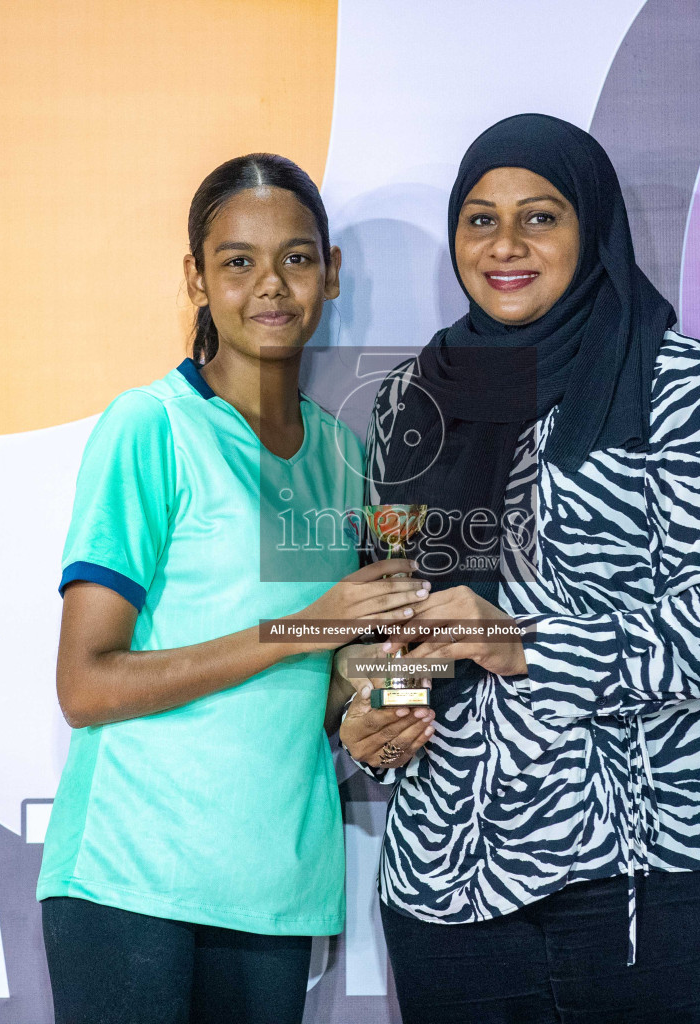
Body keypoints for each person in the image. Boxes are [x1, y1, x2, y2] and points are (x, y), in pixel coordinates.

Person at [339, 114, 700, 1023]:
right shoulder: (408, 402)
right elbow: (398, 615)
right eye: (479, 218)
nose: (505, 245)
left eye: (539, 218)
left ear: (591, 228)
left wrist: (524, 642)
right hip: (441, 882)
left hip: (636, 883)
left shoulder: (679, 386)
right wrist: (372, 708)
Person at [38, 153, 434, 1024]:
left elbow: (325, 680)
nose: (271, 286)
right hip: (132, 880)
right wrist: (304, 627)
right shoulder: (151, 428)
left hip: (274, 887)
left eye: (296, 258)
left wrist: (372, 705)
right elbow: (86, 684)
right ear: (196, 278)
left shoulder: (345, 457)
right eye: (238, 261)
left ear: (331, 274)